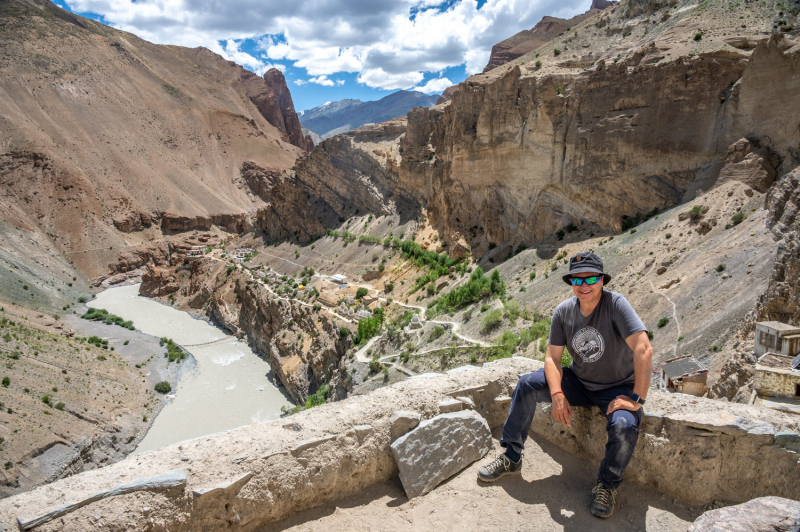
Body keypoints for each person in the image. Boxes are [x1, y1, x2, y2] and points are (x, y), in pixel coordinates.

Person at [477, 252, 652, 519]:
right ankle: (512, 456)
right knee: (527, 384)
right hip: (579, 381)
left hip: (617, 388)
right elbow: (552, 358)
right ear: (571, 282)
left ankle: (606, 485)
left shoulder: (616, 304)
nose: (584, 285)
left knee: (625, 425)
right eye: (577, 279)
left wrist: (637, 398)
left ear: (602, 279)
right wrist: (557, 392)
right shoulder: (564, 311)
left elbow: (643, 348)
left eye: (591, 278)